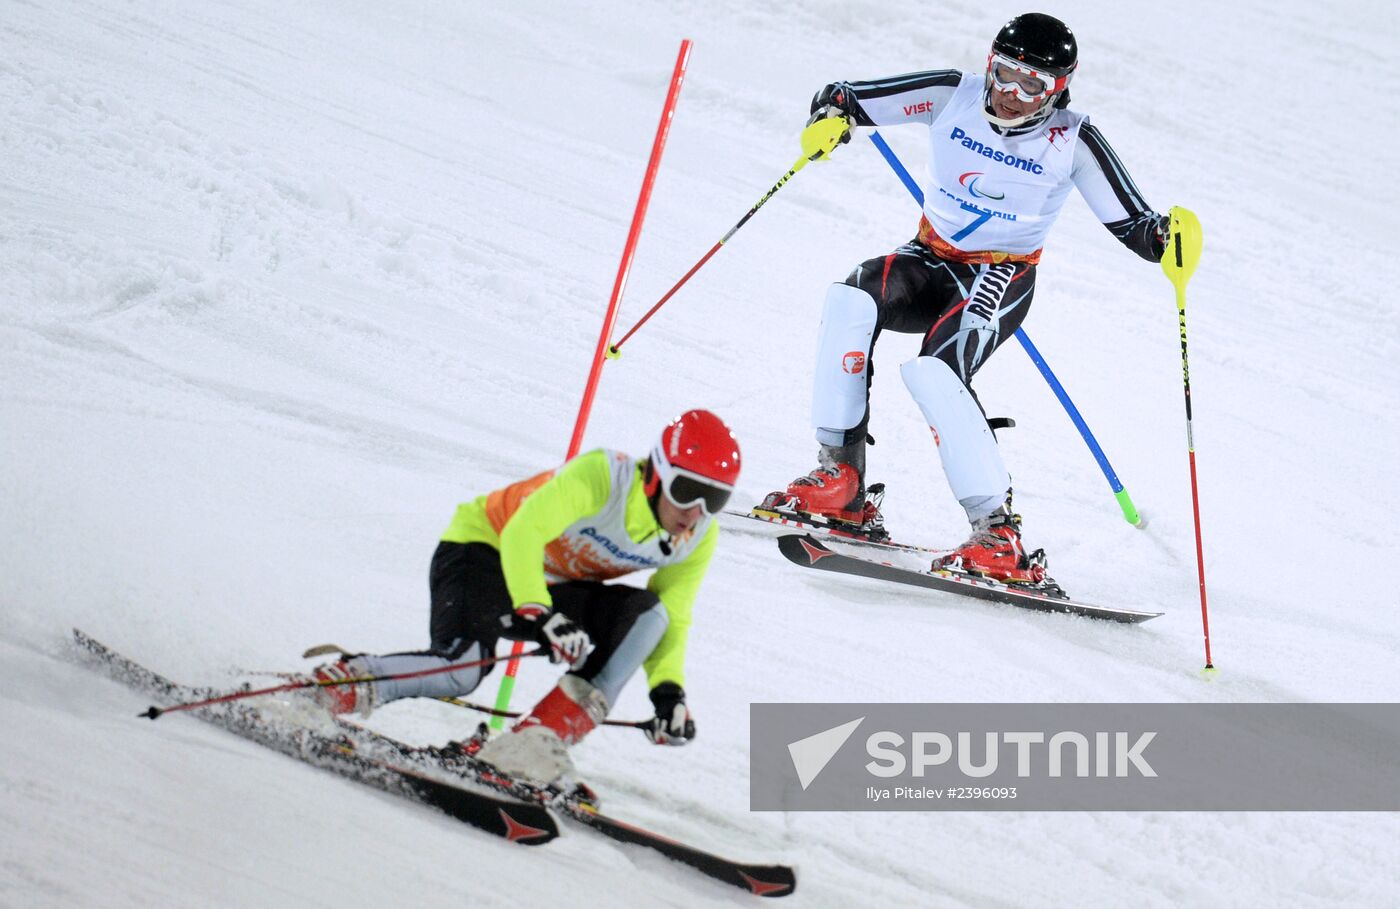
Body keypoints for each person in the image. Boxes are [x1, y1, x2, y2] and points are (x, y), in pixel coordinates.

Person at [765, 12, 1173, 583]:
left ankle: (999, 538)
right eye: (1004, 74)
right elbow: (844, 96)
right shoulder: (951, 95)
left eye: (1033, 84)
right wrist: (830, 119)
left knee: (936, 371)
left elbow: (1138, 227)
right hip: (930, 257)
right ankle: (841, 483)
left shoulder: (1072, 140)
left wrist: (1168, 241)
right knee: (850, 300)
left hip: (998, 277)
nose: (1011, 94)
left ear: (1059, 87)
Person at [308, 409, 741, 783]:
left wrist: (668, 693)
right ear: (657, 474)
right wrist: (538, 610)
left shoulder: (698, 536)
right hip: (484, 550)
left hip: (552, 588)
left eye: (715, 499)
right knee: (461, 670)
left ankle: (535, 743)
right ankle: (330, 690)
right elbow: (523, 530)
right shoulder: (604, 476)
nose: (696, 512)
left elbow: (676, 613)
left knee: (649, 616)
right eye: (686, 491)